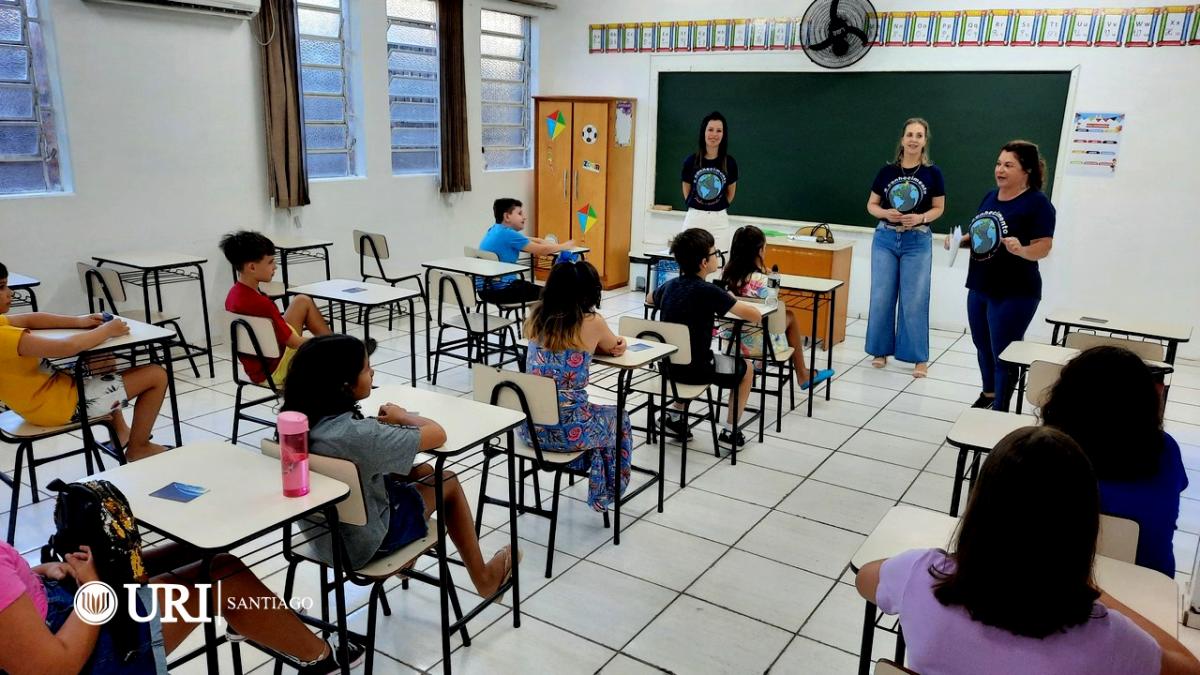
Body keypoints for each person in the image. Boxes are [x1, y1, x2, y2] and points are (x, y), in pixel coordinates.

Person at [855, 426, 1200, 675]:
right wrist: (1091, 592)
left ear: (978, 511)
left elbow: (865, 579)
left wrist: (963, 563)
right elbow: (1188, 668)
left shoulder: (920, 575)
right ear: (1084, 531)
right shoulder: (1109, 640)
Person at [281, 334, 516, 597]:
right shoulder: (360, 436)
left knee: (422, 472)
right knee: (446, 480)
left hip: (323, 539)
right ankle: (484, 579)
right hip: (366, 546)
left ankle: (408, 561)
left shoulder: (296, 428)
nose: (372, 372)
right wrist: (402, 416)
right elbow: (437, 434)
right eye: (366, 368)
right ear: (345, 385)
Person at [0, 540, 361, 674]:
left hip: (55, 605)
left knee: (196, 550)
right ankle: (321, 657)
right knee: (224, 574)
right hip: (79, 646)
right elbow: (54, 668)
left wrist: (40, 572)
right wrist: (95, 588)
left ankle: (252, 620)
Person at [1042, 346, 1187, 578]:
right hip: (1151, 583)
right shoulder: (1166, 448)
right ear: (1146, 402)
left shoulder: (1049, 456)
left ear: (1066, 400)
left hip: (1065, 579)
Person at [0, 262, 168, 462]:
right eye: (1, 287)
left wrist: (79, 321)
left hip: (42, 399)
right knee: (156, 375)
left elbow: (30, 319)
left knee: (100, 357)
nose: (10, 292)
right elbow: (67, 347)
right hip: (59, 407)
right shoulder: (2, 336)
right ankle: (139, 448)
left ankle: (120, 430)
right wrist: (107, 330)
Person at [946, 140, 1056, 410]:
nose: (1000, 170)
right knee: (982, 344)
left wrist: (1022, 250)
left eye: (1008, 165)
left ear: (1026, 171)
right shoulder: (990, 197)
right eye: (998, 164)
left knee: (1004, 353)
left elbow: (1044, 246)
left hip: (1015, 291)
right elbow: (983, 235)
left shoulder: (1038, 204)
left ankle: (1000, 408)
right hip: (980, 285)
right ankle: (988, 394)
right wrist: (960, 241)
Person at [524, 260, 631, 511]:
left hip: (531, 431)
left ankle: (585, 467)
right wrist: (623, 343)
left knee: (592, 415)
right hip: (569, 430)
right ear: (590, 292)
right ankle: (605, 492)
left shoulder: (537, 316)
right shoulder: (592, 321)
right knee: (619, 418)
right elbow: (613, 346)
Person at [653, 228, 762, 448]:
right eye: (715, 253)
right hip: (698, 371)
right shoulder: (710, 291)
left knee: (687, 353)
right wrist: (729, 297)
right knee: (747, 369)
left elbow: (649, 298)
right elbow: (755, 315)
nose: (717, 257)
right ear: (704, 262)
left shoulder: (670, 285)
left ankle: (675, 416)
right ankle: (730, 432)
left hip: (668, 367)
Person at [865, 118, 946, 378]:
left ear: (924, 141)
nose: (913, 139)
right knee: (881, 296)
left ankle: (918, 358)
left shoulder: (933, 173)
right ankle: (880, 351)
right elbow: (872, 205)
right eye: (910, 134)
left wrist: (921, 217)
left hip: (917, 241)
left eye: (919, 135)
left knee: (914, 300)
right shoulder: (887, 172)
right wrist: (885, 213)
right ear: (902, 139)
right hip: (885, 239)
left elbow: (939, 208)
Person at [719, 225, 834, 389]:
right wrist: (770, 276)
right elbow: (773, 306)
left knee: (778, 318)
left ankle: (797, 373)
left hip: (730, 344)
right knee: (789, 316)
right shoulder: (765, 281)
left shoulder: (724, 275)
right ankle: (802, 374)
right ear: (760, 251)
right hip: (759, 346)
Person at [219, 231, 336, 387]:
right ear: (252, 267)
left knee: (302, 300)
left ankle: (337, 347)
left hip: (257, 367)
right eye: (270, 262)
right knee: (325, 349)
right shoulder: (262, 304)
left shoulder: (233, 295)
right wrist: (323, 344)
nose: (275, 266)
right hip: (275, 371)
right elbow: (294, 343)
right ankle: (339, 348)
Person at [477, 198, 575, 305]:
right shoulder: (509, 234)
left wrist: (545, 242)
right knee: (552, 294)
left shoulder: (495, 230)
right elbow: (542, 251)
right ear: (507, 217)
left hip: (485, 290)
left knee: (535, 290)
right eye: (520, 213)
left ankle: (535, 315)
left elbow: (530, 240)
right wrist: (564, 246)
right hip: (503, 290)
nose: (524, 217)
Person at [681, 111, 738, 252]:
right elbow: (686, 188)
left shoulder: (729, 163)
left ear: (723, 134)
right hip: (695, 217)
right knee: (689, 258)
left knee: (719, 260)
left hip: (719, 220)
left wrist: (717, 206)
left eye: (719, 130)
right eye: (710, 129)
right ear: (704, 132)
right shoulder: (691, 161)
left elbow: (731, 192)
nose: (714, 134)